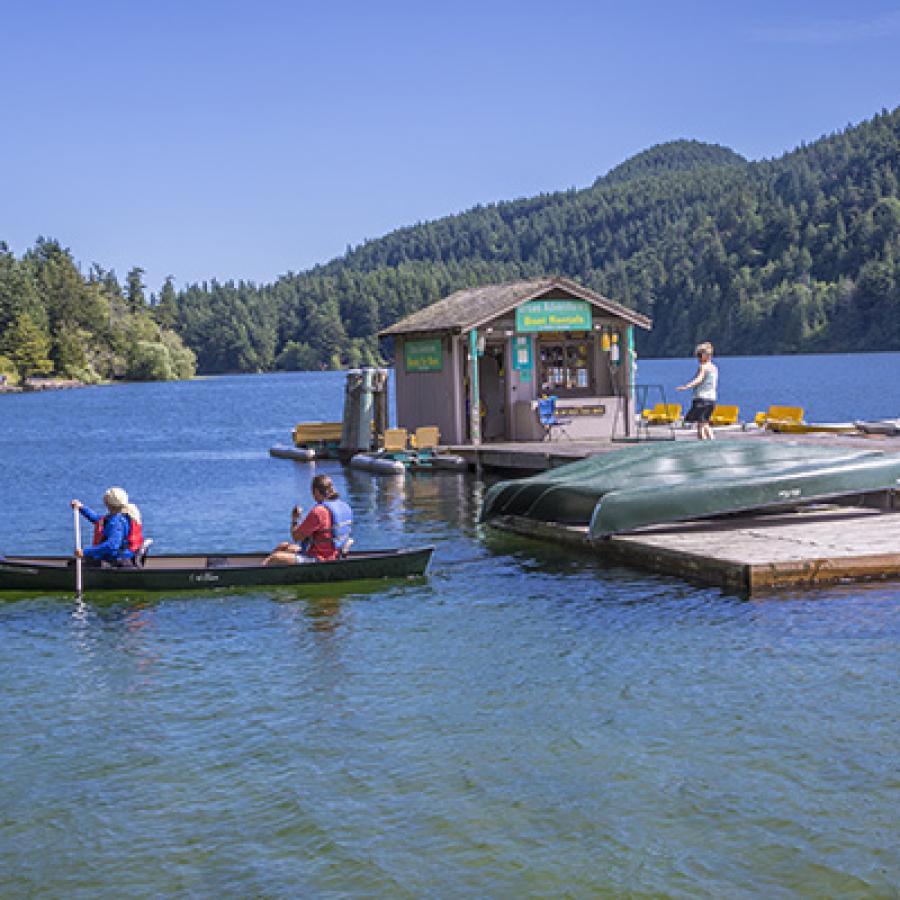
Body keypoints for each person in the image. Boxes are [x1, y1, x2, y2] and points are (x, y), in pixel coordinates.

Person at [264, 474, 353, 565]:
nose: (312, 495)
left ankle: (257, 573)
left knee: (275, 558)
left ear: (316, 491)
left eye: (312, 492)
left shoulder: (318, 511)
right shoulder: (345, 507)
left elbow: (296, 537)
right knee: (283, 546)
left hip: (321, 559)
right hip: (337, 554)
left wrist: (295, 519)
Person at [71, 487, 144, 566]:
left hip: (116, 561)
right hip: (121, 557)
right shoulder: (122, 516)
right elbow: (98, 519)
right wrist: (81, 508)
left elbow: (112, 546)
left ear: (107, 503)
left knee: (73, 564)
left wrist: (85, 552)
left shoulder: (116, 522)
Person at [677, 341, 718, 441]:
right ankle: (712, 441)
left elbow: (699, 379)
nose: (698, 358)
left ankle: (702, 443)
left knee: (701, 424)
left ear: (706, 356)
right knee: (705, 422)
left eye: (700, 355)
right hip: (711, 399)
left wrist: (687, 386)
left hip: (701, 398)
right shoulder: (714, 367)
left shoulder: (703, 367)